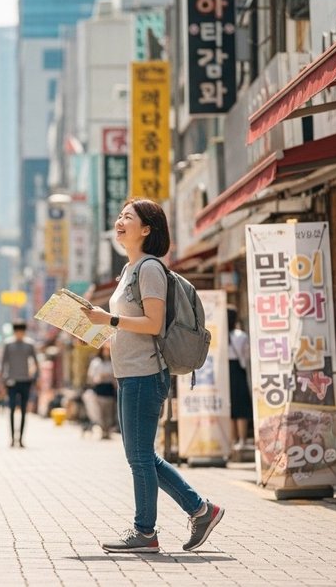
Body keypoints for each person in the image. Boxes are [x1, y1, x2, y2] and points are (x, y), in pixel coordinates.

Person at [79, 198, 225, 554]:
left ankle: (146, 532)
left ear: (147, 229)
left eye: (127, 217)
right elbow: (128, 326)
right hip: (128, 373)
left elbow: (153, 324)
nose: (119, 221)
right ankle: (201, 510)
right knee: (141, 456)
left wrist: (108, 319)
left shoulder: (149, 269)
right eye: (118, 216)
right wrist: (95, 326)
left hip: (145, 373)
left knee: (140, 457)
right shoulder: (129, 271)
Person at [0, 321, 39, 448]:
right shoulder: (8, 344)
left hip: (25, 381)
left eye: (21, 331)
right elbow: (3, 364)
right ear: (14, 331)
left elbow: (36, 363)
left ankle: (21, 439)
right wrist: (1, 381)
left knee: (23, 411)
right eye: (17, 331)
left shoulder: (29, 344)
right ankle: (12, 438)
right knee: (11, 409)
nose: (19, 334)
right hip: (11, 381)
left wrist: (35, 378)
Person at [227, 307, 253, 450]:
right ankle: (242, 440)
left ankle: (232, 441)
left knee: (230, 408)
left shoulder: (220, 335)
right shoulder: (241, 336)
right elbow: (246, 356)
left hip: (226, 372)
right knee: (241, 407)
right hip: (238, 371)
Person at [82, 345, 117, 439]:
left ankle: (108, 431)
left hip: (109, 389)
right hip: (100, 389)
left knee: (109, 412)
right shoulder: (96, 362)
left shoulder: (112, 362)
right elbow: (91, 376)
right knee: (100, 412)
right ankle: (103, 430)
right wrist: (100, 377)